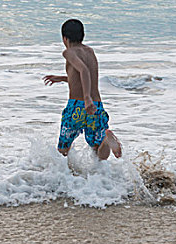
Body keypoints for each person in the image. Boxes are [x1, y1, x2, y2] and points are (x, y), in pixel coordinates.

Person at [43, 19, 122, 160]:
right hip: (96, 106)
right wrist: (62, 78)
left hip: (78, 107)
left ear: (65, 38)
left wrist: (86, 98)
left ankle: (65, 178)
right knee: (98, 151)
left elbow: (83, 70)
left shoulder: (69, 52)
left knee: (63, 150)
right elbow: (87, 77)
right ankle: (107, 141)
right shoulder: (90, 52)